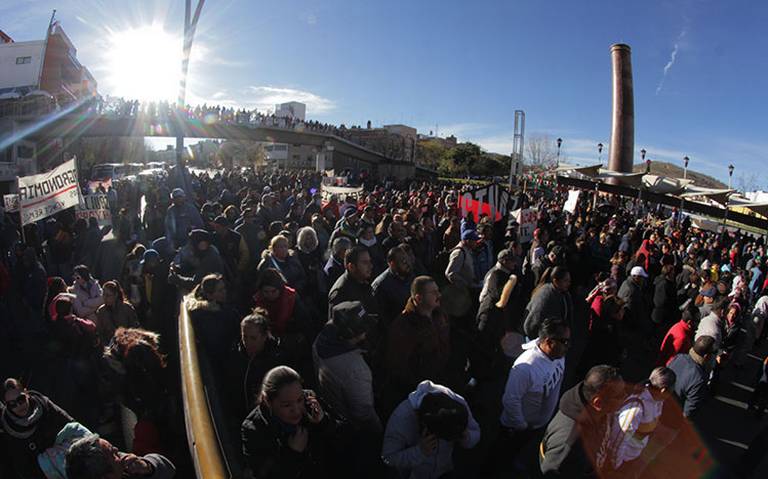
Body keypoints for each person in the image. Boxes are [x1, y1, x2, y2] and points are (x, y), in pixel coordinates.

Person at [240, 366, 347, 478]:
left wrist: (323, 421)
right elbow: (263, 475)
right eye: (286, 405)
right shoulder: (254, 428)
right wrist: (292, 454)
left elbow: (348, 439)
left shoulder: (310, 403)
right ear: (268, 401)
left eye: (299, 400)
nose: (296, 410)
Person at [498, 318, 570, 465]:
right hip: (517, 428)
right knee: (501, 457)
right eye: (564, 342)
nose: (568, 346)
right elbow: (511, 400)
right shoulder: (526, 368)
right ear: (549, 342)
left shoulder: (558, 355)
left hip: (536, 425)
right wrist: (522, 425)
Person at [382, 380, 481, 479]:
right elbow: (388, 458)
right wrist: (420, 452)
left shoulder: (457, 402)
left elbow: (476, 433)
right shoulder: (401, 418)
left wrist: (465, 436)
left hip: (445, 471)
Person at [539, 365, 625, 477]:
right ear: (597, 403)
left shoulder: (601, 412)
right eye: (620, 395)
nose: (625, 397)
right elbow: (552, 472)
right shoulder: (569, 442)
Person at [384, 276, 451, 409]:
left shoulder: (439, 314)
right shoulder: (404, 326)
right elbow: (399, 365)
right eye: (433, 292)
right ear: (419, 298)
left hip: (442, 380)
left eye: (438, 291)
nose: (439, 295)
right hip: (420, 392)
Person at [596, 367, 676, 476]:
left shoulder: (658, 402)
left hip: (633, 457)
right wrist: (617, 468)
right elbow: (618, 441)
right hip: (621, 462)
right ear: (663, 390)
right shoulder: (636, 408)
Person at [0, 378, 74, 478]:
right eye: (12, 404)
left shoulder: (44, 404)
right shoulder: (7, 427)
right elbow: (21, 467)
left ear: (26, 392)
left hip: (67, 461)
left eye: (21, 399)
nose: (18, 406)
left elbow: (71, 425)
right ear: (5, 404)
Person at [226, 310, 283, 423]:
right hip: (239, 414)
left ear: (264, 336)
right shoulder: (236, 354)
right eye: (244, 337)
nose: (247, 342)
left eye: (253, 338)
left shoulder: (275, 360)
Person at [185, 274, 239, 369]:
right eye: (220, 290)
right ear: (209, 295)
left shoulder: (200, 309)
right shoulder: (217, 314)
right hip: (219, 361)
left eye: (224, 288)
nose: (224, 292)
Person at [65, 433, 176, 479]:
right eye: (113, 454)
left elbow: (170, 470)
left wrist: (148, 467)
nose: (117, 450)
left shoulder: (120, 462)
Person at [667, 335, 716, 418]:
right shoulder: (700, 378)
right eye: (713, 352)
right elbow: (690, 409)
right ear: (706, 356)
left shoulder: (679, 357)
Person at [523, 266, 573, 339]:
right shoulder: (545, 296)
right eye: (565, 280)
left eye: (569, 281)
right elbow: (532, 324)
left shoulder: (563, 294)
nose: (568, 283)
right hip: (541, 340)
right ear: (555, 281)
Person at [371, 244, 414, 328]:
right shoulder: (381, 285)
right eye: (403, 261)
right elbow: (381, 317)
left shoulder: (409, 274)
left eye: (407, 259)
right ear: (392, 264)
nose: (408, 264)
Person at [328, 245, 375, 316]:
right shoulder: (340, 292)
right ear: (351, 267)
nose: (370, 266)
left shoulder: (364, 281)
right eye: (365, 263)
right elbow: (336, 323)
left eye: (369, 261)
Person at [95, 280, 139, 345]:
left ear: (115, 295)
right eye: (103, 294)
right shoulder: (101, 311)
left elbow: (134, 327)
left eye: (108, 295)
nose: (105, 298)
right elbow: (100, 332)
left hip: (126, 344)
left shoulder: (127, 308)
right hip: (109, 346)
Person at [657, 302, 699, 366]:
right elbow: (671, 359)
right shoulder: (682, 337)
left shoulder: (679, 326)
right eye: (697, 320)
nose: (699, 322)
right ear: (689, 322)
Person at [618, 266, 649, 331]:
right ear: (636, 277)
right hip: (630, 322)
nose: (643, 280)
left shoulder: (626, 282)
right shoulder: (633, 291)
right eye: (642, 277)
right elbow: (632, 309)